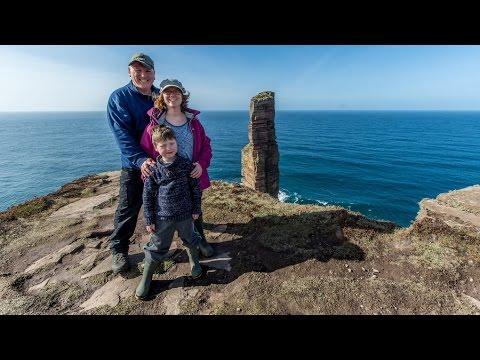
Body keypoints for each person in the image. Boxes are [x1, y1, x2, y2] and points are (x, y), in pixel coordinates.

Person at [140, 78, 215, 258]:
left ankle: (200, 240)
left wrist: (201, 165)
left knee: (194, 208)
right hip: (165, 178)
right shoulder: (155, 123)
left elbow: (206, 146)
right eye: (167, 92)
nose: (172, 95)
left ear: (182, 96)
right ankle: (160, 244)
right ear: (162, 96)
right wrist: (145, 162)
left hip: (190, 174)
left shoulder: (193, 122)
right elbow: (145, 148)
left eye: (176, 92)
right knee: (166, 212)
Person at [135, 125, 202, 300]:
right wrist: (149, 219)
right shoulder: (153, 169)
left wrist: (196, 209)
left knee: (190, 238)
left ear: (177, 144)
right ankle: (146, 279)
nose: (168, 148)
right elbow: (147, 196)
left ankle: (195, 262)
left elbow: (195, 189)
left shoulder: (186, 165)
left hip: (185, 214)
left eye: (171, 143)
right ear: (156, 147)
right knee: (156, 246)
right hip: (162, 217)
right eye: (163, 145)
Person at [106, 53, 159, 273]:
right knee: (129, 207)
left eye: (147, 71)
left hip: (160, 163)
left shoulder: (159, 96)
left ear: (154, 74)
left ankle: (161, 244)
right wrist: (139, 160)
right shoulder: (119, 97)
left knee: (162, 204)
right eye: (138, 70)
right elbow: (122, 135)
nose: (143, 74)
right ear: (129, 72)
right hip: (133, 164)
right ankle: (118, 248)